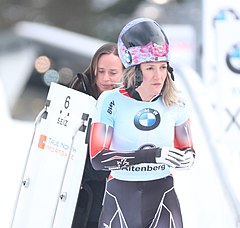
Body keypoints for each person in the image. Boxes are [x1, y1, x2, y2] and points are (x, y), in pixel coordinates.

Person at [89, 18, 195, 228]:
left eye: (163, 67)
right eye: (150, 68)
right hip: (121, 195)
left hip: (162, 194)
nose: (158, 76)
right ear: (134, 70)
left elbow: (187, 148)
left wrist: (188, 158)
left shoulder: (176, 103)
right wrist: (153, 155)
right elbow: (98, 159)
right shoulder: (110, 101)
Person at [69, 42, 124, 228]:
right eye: (100, 71)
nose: (105, 78)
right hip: (75, 197)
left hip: (112, 200)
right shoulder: (80, 94)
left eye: (112, 72)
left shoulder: (133, 105)